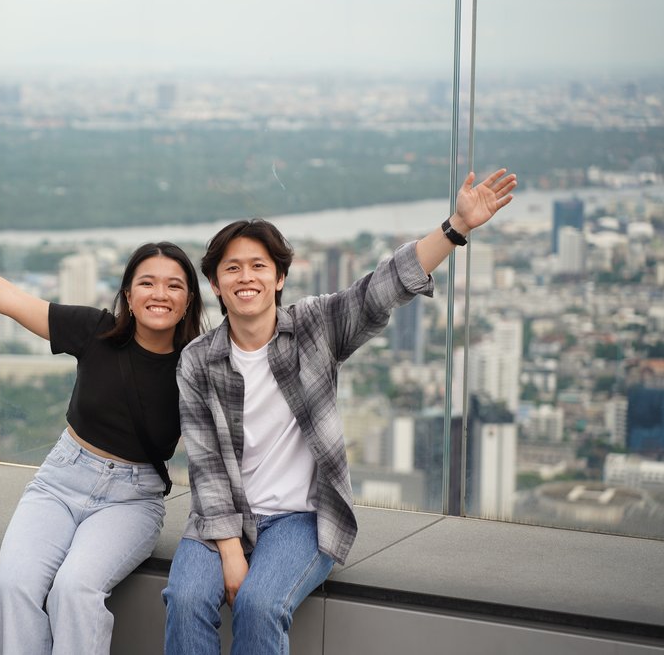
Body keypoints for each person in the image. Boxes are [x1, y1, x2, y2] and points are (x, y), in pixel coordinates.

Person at [162, 169, 517, 654]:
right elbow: (204, 468)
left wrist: (455, 227)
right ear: (215, 284)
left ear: (280, 277)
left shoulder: (315, 326)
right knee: (184, 600)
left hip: (301, 518)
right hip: (220, 518)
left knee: (262, 606)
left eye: (259, 266)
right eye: (232, 268)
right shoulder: (198, 360)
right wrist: (229, 551)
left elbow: (384, 286)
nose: (247, 278)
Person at [0, 216, 205, 655]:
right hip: (61, 481)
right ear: (129, 296)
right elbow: (11, 301)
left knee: (74, 591)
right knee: (13, 590)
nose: (160, 294)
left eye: (174, 286)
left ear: (189, 300)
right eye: (147, 283)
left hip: (132, 500)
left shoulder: (198, 365)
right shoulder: (96, 332)